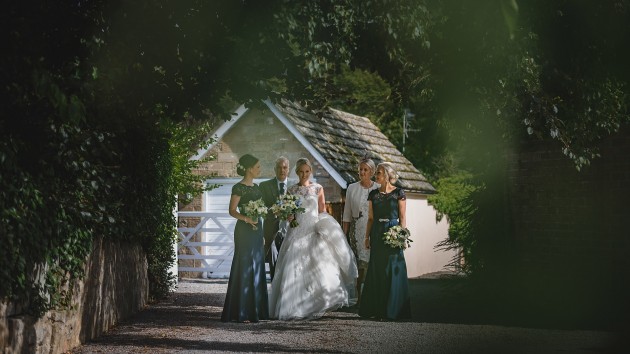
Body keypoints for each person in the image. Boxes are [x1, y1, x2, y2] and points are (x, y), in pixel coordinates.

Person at [269, 157, 358, 320]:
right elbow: (288, 211)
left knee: (319, 266)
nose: (304, 174)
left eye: (307, 171)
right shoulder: (291, 190)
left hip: (313, 230)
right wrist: (289, 216)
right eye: (301, 172)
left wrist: (323, 228)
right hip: (296, 230)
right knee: (294, 266)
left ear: (311, 172)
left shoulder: (318, 188)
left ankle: (317, 302)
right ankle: (294, 306)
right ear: (296, 172)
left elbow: (322, 211)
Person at [359, 162, 411, 321]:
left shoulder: (399, 193)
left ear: (388, 175)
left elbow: (402, 218)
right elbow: (370, 218)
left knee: (392, 270)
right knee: (377, 270)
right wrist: (366, 237)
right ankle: (376, 310)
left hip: (393, 232)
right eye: (377, 173)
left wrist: (402, 237)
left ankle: (394, 311)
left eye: (379, 173)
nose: (376, 176)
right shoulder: (373, 194)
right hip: (377, 232)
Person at [221, 154, 269, 323]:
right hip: (244, 230)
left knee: (256, 266)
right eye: (257, 167)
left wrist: (261, 235)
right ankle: (241, 311)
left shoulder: (257, 187)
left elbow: (261, 210)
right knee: (244, 266)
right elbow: (232, 210)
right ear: (249, 169)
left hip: (257, 231)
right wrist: (247, 219)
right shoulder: (238, 187)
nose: (259, 169)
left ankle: (256, 310)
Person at [342, 158, 379, 306]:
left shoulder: (378, 187)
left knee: (372, 264)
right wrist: (344, 235)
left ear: (372, 171)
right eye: (360, 169)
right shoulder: (352, 188)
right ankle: (358, 297)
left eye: (365, 170)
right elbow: (347, 214)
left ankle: (372, 296)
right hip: (356, 231)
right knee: (358, 265)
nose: (362, 172)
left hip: (373, 230)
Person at [260, 156, 290, 281]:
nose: (282, 170)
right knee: (273, 261)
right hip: (271, 229)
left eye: (284, 167)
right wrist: (275, 210)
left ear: (288, 169)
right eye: (279, 167)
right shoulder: (264, 186)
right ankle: (274, 288)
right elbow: (261, 207)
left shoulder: (294, 186)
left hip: (290, 230)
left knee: (288, 262)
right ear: (274, 169)